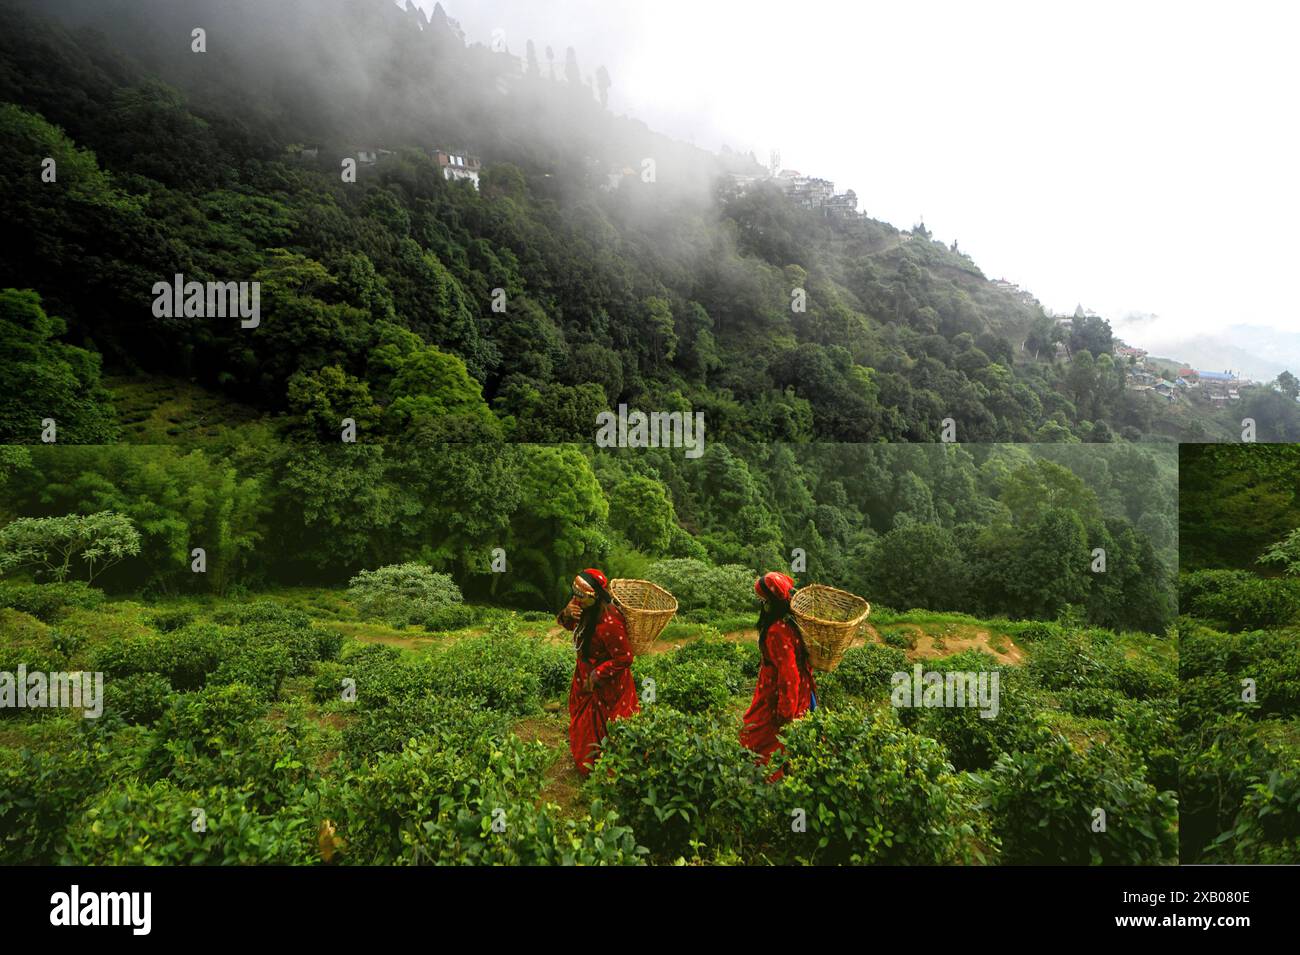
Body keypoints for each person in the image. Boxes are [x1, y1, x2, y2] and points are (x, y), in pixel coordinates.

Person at [557, 568, 639, 776]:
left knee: (605, 726)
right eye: (574, 594)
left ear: (595, 597)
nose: (576, 599)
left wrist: (597, 675)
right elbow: (571, 626)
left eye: (581, 597)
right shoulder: (583, 609)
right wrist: (566, 614)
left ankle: (607, 769)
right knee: (583, 721)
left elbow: (624, 658)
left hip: (607, 684)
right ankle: (587, 764)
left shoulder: (610, 622)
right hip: (584, 674)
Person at [740, 571, 817, 779]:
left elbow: (788, 674)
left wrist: (785, 712)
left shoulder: (777, 630)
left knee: (760, 738)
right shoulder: (790, 622)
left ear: (768, 602)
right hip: (798, 691)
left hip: (777, 695)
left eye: (762, 600)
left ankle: (766, 785)